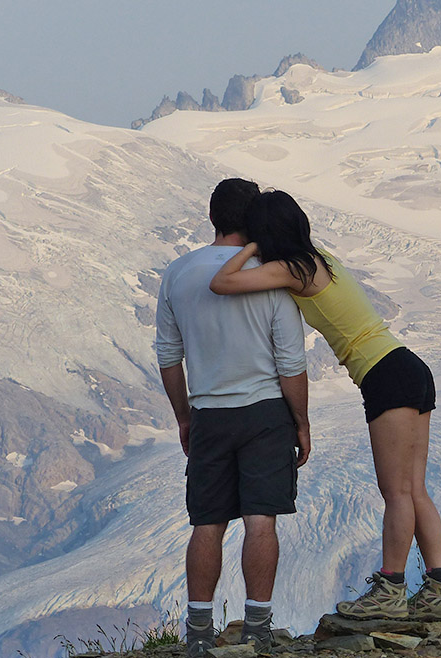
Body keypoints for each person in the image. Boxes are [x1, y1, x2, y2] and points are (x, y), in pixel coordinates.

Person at [209, 189, 441, 622]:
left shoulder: (290, 269)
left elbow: (222, 282)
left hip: (383, 373)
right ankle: (440, 591)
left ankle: (391, 588)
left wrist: (248, 243)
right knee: (415, 488)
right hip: (408, 365)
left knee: (396, 492)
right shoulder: (319, 258)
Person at [155, 178, 310, 656]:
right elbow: (291, 363)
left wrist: (184, 417)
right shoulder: (269, 276)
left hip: (208, 413)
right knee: (261, 520)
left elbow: (168, 355)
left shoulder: (178, 273)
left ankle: (199, 633)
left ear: (213, 218)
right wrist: (301, 423)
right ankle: (258, 630)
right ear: (254, 221)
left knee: (208, 523)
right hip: (265, 412)